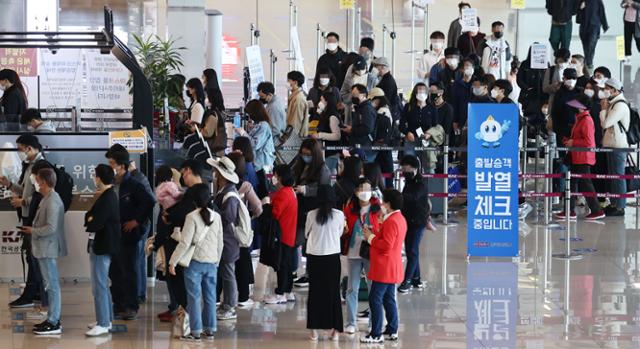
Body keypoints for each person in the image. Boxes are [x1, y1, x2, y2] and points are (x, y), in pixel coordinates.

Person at [168, 183, 223, 342]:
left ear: (194, 200)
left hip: (195, 264)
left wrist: (173, 262)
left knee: (194, 298)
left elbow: (184, 243)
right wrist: (216, 261)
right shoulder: (217, 217)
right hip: (212, 263)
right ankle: (210, 330)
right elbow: (220, 243)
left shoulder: (191, 217)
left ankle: (196, 332)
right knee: (211, 297)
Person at [108, 149, 156, 320]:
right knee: (115, 272)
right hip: (113, 235)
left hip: (129, 236)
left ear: (122, 166)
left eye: (112, 164)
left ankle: (131, 306)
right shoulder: (112, 184)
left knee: (129, 271)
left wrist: (137, 220)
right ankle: (118, 305)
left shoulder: (134, 184)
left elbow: (149, 202)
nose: (110, 167)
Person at [0, 134, 46, 309]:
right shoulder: (30, 166)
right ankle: (34, 292)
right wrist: (10, 185)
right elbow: (27, 190)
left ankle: (33, 293)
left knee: (33, 256)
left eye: (20, 149)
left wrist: (23, 202)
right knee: (30, 254)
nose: (19, 153)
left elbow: (41, 193)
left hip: (35, 217)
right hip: (28, 215)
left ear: (29, 148)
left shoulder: (41, 167)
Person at [21, 168, 67, 335]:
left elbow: (51, 228)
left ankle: (54, 321)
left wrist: (33, 231)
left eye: (38, 181)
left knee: (52, 285)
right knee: (49, 284)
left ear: (44, 182)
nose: (36, 184)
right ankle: (52, 318)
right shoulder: (46, 198)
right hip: (43, 248)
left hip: (48, 248)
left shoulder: (53, 200)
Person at [360, 189, 407, 344]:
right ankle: (392, 329)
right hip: (391, 266)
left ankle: (376, 333)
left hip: (384, 267)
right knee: (388, 298)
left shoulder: (392, 221)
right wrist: (375, 232)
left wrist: (371, 238)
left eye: (383, 201)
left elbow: (387, 245)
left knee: (375, 298)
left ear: (389, 204)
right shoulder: (398, 218)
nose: (381, 204)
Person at [162, 160, 205, 316]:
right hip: (199, 246)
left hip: (185, 243)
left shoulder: (194, 192)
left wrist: (169, 216)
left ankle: (188, 313)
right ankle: (191, 314)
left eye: (182, 173)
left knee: (179, 278)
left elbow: (183, 213)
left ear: (188, 171)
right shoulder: (204, 191)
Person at [555, 95, 605, 220]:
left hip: (583, 157)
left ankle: (596, 210)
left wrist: (573, 142)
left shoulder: (586, 120)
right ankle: (569, 210)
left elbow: (589, 142)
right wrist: (570, 141)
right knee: (572, 184)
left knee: (585, 184)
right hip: (577, 156)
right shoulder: (580, 118)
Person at [84, 164, 120, 337]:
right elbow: (89, 217)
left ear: (99, 178)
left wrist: (91, 219)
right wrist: (90, 218)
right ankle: (105, 318)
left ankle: (104, 323)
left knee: (99, 286)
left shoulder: (107, 197)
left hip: (102, 245)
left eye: (95, 176)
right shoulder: (107, 195)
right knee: (102, 284)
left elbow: (94, 221)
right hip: (100, 244)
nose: (94, 178)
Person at [304, 185, 344, 341]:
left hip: (315, 257)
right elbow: (340, 233)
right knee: (333, 293)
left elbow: (307, 234)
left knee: (315, 293)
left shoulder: (311, 215)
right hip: (332, 258)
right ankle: (335, 331)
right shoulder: (339, 215)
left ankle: (314, 330)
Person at [342, 179, 382, 334]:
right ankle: (351, 322)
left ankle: (374, 323)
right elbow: (345, 227)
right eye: (362, 188)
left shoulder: (377, 208)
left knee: (373, 288)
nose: (365, 192)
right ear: (356, 191)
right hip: (353, 252)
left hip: (371, 252)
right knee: (352, 288)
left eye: (368, 188)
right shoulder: (350, 208)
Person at [291, 139, 331, 288]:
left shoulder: (322, 169)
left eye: (308, 154)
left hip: (313, 210)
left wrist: (306, 190)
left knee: (310, 244)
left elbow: (324, 190)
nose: (305, 156)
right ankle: (294, 270)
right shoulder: (300, 165)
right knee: (296, 241)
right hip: (300, 209)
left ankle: (309, 274)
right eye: (303, 154)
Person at [227, 152, 263, 308]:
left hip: (225, 230)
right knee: (242, 262)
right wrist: (248, 216)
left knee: (225, 263)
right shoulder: (246, 186)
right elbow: (258, 208)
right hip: (240, 232)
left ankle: (221, 297)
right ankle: (242, 296)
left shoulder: (219, 183)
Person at [208, 156, 241, 321]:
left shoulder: (230, 195)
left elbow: (228, 218)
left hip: (228, 242)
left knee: (228, 274)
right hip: (224, 241)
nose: (215, 175)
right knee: (226, 273)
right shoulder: (223, 191)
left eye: (217, 172)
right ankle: (226, 303)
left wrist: (213, 209)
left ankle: (230, 306)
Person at [151, 165, 183, 322]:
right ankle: (175, 306)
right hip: (170, 240)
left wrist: (157, 243)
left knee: (172, 276)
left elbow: (165, 223)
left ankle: (176, 307)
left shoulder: (166, 195)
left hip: (170, 241)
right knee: (172, 276)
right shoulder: (174, 192)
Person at [263, 165, 298, 304]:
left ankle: (280, 293)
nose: (274, 178)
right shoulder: (291, 191)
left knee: (281, 265)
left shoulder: (283, 193)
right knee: (287, 265)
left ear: (281, 177)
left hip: (282, 234)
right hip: (289, 233)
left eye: (275, 175)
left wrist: (267, 205)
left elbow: (275, 213)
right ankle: (288, 291)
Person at [397, 155, 430, 293]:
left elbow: (412, 198)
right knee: (412, 250)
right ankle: (416, 278)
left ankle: (407, 281)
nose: (404, 171)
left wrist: (397, 196)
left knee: (412, 251)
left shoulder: (421, 184)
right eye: (403, 168)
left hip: (417, 222)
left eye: (407, 169)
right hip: (407, 220)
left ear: (415, 168)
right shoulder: (409, 182)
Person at [600, 78, 630, 217]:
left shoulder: (620, 105)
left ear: (615, 90)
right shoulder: (613, 103)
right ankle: (613, 203)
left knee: (618, 176)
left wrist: (603, 110)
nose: (605, 90)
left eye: (607, 88)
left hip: (618, 146)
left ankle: (620, 206)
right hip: (611, 145)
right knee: (613, 176)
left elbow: (606, 123)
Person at [235, 99, 275, 198]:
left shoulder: (264, 126)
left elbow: (255, 143)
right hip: (258, 164)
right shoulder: (259, 125)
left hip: (263, 165)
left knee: (263, 193)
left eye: (250, 114)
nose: (249, 117)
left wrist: (244, 133)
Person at [399, 83, 438, 165]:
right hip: (411, 140)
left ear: (427, 93)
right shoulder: (408, 107)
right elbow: (401, 124)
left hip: (426, 141)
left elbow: (436, 126)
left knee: (428, 166)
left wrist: (429, 134)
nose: (421, 92)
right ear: (415, 93)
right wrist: (407, 132)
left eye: (423, 90)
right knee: (409, 164)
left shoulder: (432, 108)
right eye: (419, 90)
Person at [342, 84, 378, 163]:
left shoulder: (367, 109)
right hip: (358, 145)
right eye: (352, 95)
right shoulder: (359, 108)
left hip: (365, 146)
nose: (353, 97)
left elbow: (367, 128)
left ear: (364, 95)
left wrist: (352, 129)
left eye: (355, 95)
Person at [280, 71, 309, 165]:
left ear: (295, 82)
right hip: (293, 137)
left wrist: (288, 139)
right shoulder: (294, 96)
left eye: (289, 80)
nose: (287, 83)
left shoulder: (298, 99)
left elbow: (296, 123)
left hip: (294, 139)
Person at [518, 44, 550, 128]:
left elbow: (548, 78)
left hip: (542, 95)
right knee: (528, 115)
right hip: (528, 95)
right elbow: (519, 79)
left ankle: (540, 134)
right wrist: (527, 88)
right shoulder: (525, 64)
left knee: (541, 116)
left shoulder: (546, 64)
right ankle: (528, 135)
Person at [368, 89, 395, 187]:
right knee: (386, 171)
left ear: (378, 99)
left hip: (381, 147)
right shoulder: (386, 109)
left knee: (383, 172)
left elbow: (380, 131)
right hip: (384, 146)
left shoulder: (382, 111)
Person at [312, 91, 342, 175]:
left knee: (327, 175)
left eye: (322, 100)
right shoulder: (325, 114)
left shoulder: (332, 116)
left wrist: (320, 135)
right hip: (325, 151)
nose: (319, 102)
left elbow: (337, 136)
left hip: (331, 152)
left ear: (327, 101)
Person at [576, 0, 609, 70]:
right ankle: (588, 62)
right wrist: (580, 8)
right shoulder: (581, 1)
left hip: (595, 26)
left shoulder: (598, 1)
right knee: (585, 46)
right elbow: (577, 18)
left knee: (591, 45)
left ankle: (588, 63)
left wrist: (605, 25)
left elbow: (602, 13)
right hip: (584, 27)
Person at [543, 48, 572, 114]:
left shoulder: (572, 70)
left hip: (569, 104)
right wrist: (555, 86)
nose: (561, 64)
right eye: (559, 61)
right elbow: (544, 88)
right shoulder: (551, 70)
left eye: (563, 61)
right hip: (554, 103)